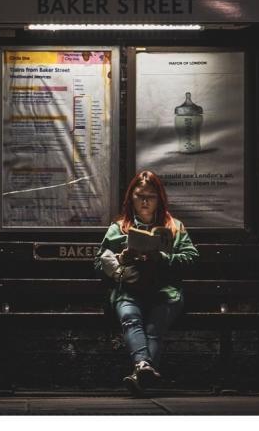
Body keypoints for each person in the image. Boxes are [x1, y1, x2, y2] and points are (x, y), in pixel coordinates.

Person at [93, 169, 199, 396]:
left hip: (165, 292)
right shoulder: (118, 228)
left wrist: (162, 257)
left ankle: (141, 372)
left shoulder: (174, 227)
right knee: (130, 318)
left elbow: (191, 258)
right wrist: (121, 261)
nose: (144, 201)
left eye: (150, 196)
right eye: (139, 195)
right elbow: (98, 262)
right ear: (130, 197)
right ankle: (144, 370)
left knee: (154, 327)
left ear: (159, 198)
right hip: (130, 290)